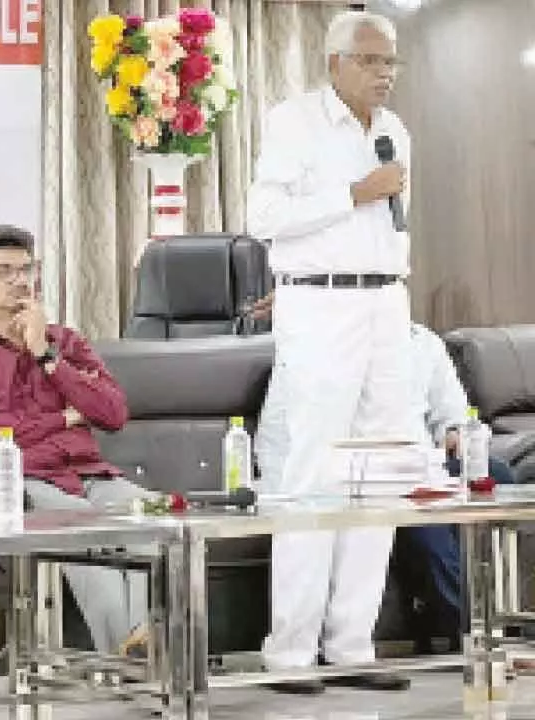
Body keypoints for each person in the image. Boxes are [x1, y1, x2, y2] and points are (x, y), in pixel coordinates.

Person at [246, 10, 418, 693]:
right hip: (319, 303)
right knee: (314, 467)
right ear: (335, 63)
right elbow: (263, 219)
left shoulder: (395, 131)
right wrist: (352, 193)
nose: (385, 75)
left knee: (379, 468)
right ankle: (289, 653)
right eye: (373, 61)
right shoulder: (295, 122)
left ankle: (352, 646)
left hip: (385, 302)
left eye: (392, 64)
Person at [0, 224, 149, 657]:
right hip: (19, 481)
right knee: (83, 528)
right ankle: (128, 663)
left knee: (155, 523)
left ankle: (145, 649)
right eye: (5, 272)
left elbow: (113, 413)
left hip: (88, 473)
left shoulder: (64, 341)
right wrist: (63, 416)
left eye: (26, 270)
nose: (19, 282)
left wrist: (47, 356)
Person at [258, 321, 515, 655]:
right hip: (354, 474)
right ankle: (474, 634)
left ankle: (512, 617)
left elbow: (453, 415)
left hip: (422, 461)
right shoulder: (315, 344)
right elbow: (277, 432)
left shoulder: (422, 343)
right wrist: (284, 490)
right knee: (431, 534)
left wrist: (456, 435)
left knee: (499, 477)